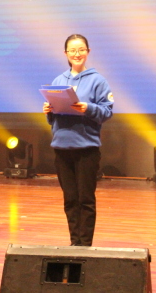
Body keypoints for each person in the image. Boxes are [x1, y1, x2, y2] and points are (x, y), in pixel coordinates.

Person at [43, 34, 113, 247]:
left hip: (86, 148)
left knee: (85, 199)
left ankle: (85, 245)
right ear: (65, 53)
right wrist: (49, 111)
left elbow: (107, 112)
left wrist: (87, 108)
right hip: (61, 147)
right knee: (70, 199)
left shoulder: (98, 81)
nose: (77, 54)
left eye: (81, 49)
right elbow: (53, 119)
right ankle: (75, 242)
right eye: (72, 50)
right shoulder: (58, 81)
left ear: (88, 52)